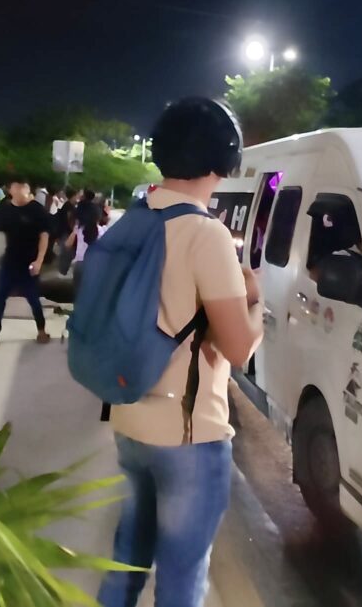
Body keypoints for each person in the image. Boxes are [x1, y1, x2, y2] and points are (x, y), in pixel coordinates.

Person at [97, 98, 263, 607]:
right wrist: (255, 302)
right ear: (221, 160)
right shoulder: (205, 233)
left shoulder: (131, 222)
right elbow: (236, 347)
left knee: (126, 557)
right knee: (182, 577)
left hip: (128, 416)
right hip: (189, 434)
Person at [0, 176, 52, 349]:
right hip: (10, 260)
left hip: (30, 261)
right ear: (10, 190)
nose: (19, 190)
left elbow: (44, 236)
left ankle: (41, 329)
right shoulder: (6, 209)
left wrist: (39, 260)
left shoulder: (37, 210)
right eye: (15, 187)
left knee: (33, 298)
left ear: (28, 189)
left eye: (23, 187)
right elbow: (2, 229)